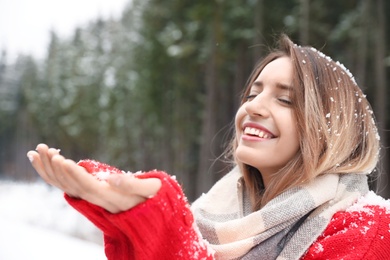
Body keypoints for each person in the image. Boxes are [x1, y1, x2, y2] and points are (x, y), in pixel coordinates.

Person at [27, 34, 390, 260]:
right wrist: (139, 218)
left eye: (285, 100)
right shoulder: (217, 213)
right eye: (253, 92)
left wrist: (164, 225)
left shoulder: (368, 231)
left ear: (332, 128)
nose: (253, 107)